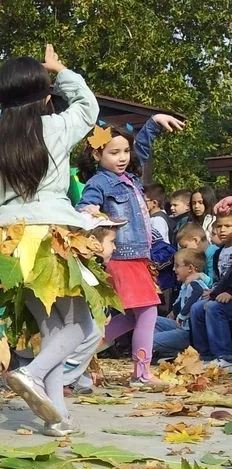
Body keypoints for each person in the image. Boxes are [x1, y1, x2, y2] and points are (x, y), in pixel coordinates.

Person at [0, 40, 113, 438]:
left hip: (9, 246)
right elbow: (89, 109)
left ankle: (56, 416)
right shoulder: (56, 126)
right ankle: (30, 373)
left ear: (0, 100)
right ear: (45, 97)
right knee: (78, 326)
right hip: (53, 239)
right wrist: (61, 71)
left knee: (51, 329)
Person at [77, 113, 184, 387]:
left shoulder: (131, 178)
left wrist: (154, 122)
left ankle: (74, 356)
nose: (122, 157)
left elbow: (142, 148)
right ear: (97, 155)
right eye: (114, 152)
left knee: (127, 317)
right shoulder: (99, 183)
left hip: (139, 258)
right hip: (123, 257)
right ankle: (141, 372)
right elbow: (84, 206)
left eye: (125, 150)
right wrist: (88, 210)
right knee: (147, 311)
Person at [189, 213, 232, 366]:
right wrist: (213, 291)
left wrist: (229, 293)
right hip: (222, 294)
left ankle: (225, 356)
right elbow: (221, 279)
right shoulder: (218, 252)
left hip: (229, 296)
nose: (222, 230)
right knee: (197, 308)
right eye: (219, 226)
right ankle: (206, 355)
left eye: (228, 226)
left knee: (214, 309)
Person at [153, 248, 208, 360]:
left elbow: (198, 293)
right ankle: (168, 352)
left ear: (190, 268)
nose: (173, 269)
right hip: (181, 327)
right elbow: (181, 301)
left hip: (188, 332)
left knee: (149, 341)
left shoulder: (195, 284)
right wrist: (174, 311)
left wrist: (182, 315)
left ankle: (173, 351)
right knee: (153, 320)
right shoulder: (185, 285)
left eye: (177, 266)